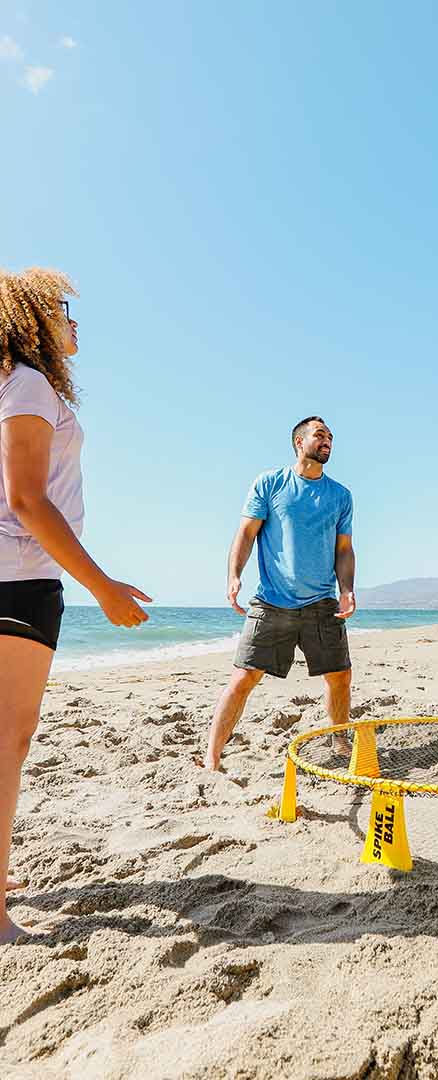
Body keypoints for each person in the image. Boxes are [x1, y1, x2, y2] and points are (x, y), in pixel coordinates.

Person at [0, 269, 151, 944]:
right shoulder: (27, 383)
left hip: (16, 576)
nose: (74, 322)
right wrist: (101, 586)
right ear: (32, 320)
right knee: (9, 741)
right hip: (17, 579)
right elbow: (28, 499)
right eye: (63, 311)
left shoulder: (18, 385)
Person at [203, 416, 355, 770]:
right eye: (320, 435)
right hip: (273, 601)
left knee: (340, 676)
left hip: (322, 603)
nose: (327, 440)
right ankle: (211, 757)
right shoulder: (270, 484)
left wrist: (347, 589)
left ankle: (339, 739)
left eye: (330, 436)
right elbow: (245, 534)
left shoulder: (341, 496)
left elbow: (344, 549)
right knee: (243, 677)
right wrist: (234, 575)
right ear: (299, 443)